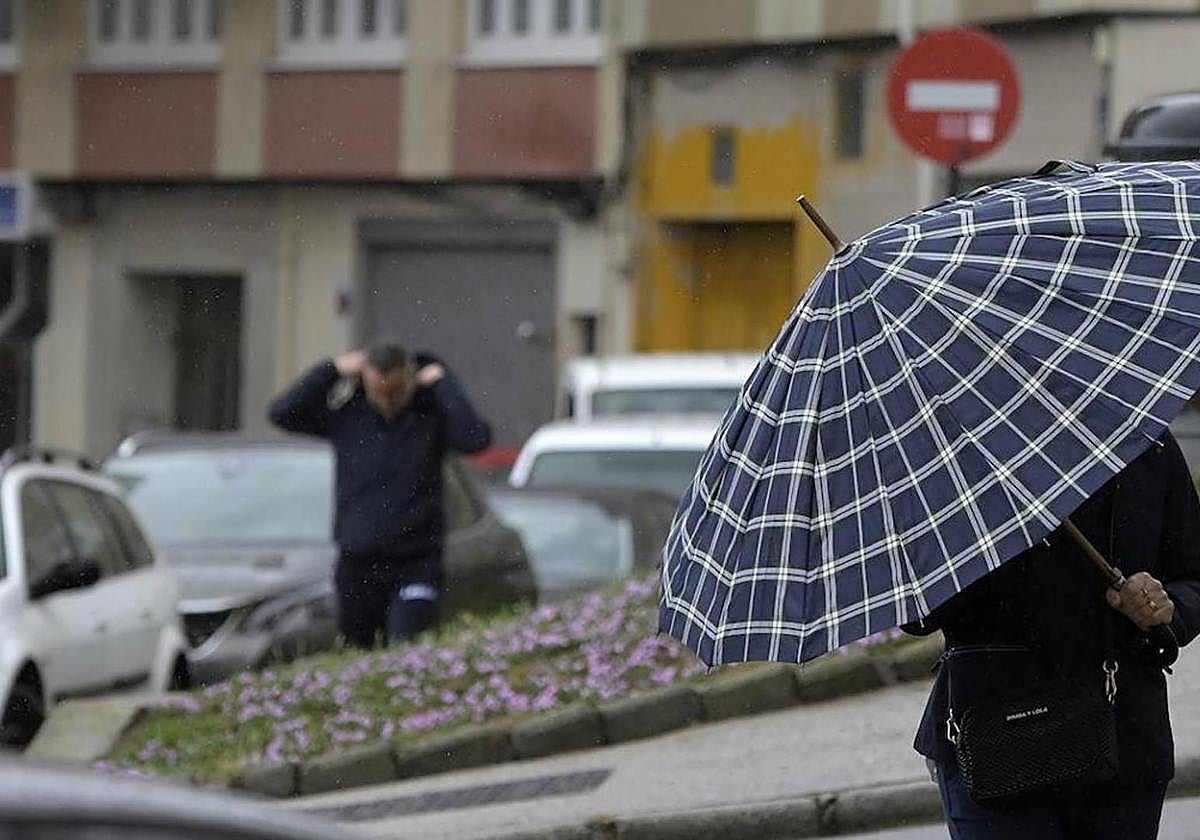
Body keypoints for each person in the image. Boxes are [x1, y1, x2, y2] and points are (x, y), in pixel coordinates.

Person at [907, 429, 1200, 839]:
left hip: (1125, 741)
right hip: (994, 744)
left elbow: (1191, 576)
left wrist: (1163, 607)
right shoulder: (945, 457)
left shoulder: (1143, 440)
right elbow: (917, 612)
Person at [268, 342, 492, 648]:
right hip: (358, 563)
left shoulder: (429, 418)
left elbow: (475, 439)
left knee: (407, 645)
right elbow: (282, 413)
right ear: (364, 381)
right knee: (359, 651)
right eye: (380, 391)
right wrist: (331, 370)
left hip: (416, 561)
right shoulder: (348, 419)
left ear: (412, 381)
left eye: (397, 391)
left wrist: (442, 379)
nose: (388, 401)